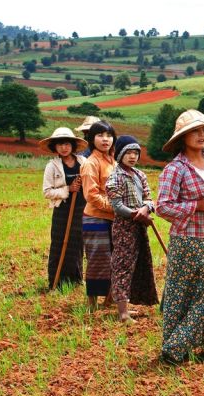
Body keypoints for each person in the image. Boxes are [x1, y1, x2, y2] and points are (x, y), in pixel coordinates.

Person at [156, 109, 204, 364]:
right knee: (185, 294)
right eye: (194, 132)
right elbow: (163, 206)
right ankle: (175, 349)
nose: (201, 136)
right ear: (182, 137)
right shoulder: (175, 169)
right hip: (187, 241)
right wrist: (196, 206)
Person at [105, 135, 158, 323]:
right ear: (120, 155)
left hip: (139, 226)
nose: (133, 156)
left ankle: (129, 305)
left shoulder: (140, 175)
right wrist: (137, 214)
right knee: (123, 266)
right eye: (128, 152)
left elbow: (150, 199)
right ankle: (122, 313)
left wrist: (146, 208)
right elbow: (117, 206)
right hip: (124, 228)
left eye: (136, 153)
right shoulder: (115, 177)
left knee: (141, 264)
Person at [41, 127, 88, 290]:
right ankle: (56, 282)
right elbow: (47, 192)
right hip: (62, 210)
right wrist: (68, 189)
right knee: (59, 243)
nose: (64, 147)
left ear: (73, 145)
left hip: (81, 208)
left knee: (77, 243)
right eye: (60, 144)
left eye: (67, 144)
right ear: (55, 147)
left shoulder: (83, 162)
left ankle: (75, 280)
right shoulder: (52, 166)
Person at [81, 120, 117, 311]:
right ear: (91, 138)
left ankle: (110, 299)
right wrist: (115, 207)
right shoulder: (91, 163)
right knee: (98, 260)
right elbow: (91, 195)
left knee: (115, 259)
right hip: (96, 218)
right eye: (100, 135)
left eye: (109, 135)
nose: (105, 139)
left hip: (113, 218)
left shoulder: (113, 161)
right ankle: (91, 303)